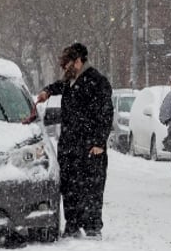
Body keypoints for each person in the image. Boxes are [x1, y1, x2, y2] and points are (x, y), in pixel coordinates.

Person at [36, 43, 113, 238]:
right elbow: (59, 85)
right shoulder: (71, 81)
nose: (64, 69)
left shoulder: (97, 81)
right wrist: (47, 91)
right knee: (70, 186)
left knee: (91, 187)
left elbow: (105, 114)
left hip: (89, 146)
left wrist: (99, 143)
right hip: (69, 145)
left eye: (66, 64)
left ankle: (93, 226)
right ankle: (72, 225)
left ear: (78, 61)